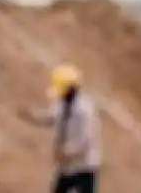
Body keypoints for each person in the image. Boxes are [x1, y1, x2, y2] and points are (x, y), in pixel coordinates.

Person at [27, 64, 101, 193]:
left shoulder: (85, 110)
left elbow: (85, 141)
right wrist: (33, 117)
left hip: (84, 168)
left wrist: (65, 153)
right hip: (67, 167)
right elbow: (52, 117)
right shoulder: (62, 103)